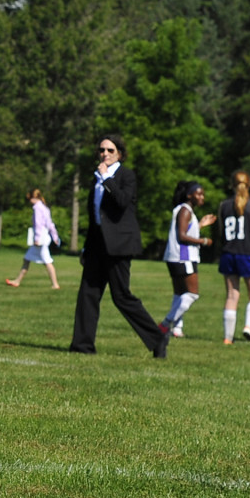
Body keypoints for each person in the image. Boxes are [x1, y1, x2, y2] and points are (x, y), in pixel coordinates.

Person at [70, 134, 171, 358]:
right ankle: (82, 346)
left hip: (119, 245)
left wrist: (107, 178)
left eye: (110, 150)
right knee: (87, 294)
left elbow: (122, 201)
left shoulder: (126, 176)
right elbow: (95, 216)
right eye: (101, 150)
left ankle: (157, 338)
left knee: (121, 296)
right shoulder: (96, 177)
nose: (104, 154)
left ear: (120, 154)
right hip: (97, 244)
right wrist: (86, 247)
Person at [160, 181, 217, 338]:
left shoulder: (183, 210)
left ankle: (177, 329)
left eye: (203, 194)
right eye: (199, 194)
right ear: (189, 195)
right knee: (192, 294)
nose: (202, 197)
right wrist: (203, 241)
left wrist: (200, 225)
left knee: (180, 294)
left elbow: (186, 229)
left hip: (174, 256)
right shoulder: (185, 210)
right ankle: (165, 324)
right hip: (183, 257)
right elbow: (182, 236)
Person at [218, 170, 250, 346]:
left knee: (232, 295)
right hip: (249, 254)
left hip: (228, 254)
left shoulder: (223, 205)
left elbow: (221, 232)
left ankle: (228, 338)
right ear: (249, 184)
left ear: (231, 185)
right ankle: (249, 327)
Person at [6, 188, 62, 289]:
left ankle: (55, 284)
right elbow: (50, 224)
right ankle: (17, 281)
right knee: (27, 259)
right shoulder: (45, 208)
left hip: (40, 239)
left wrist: (37, 238)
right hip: (44, 237)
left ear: (33, 198)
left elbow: (38, 224)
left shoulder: (37, 208)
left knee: (47, 262)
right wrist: (55, 236)